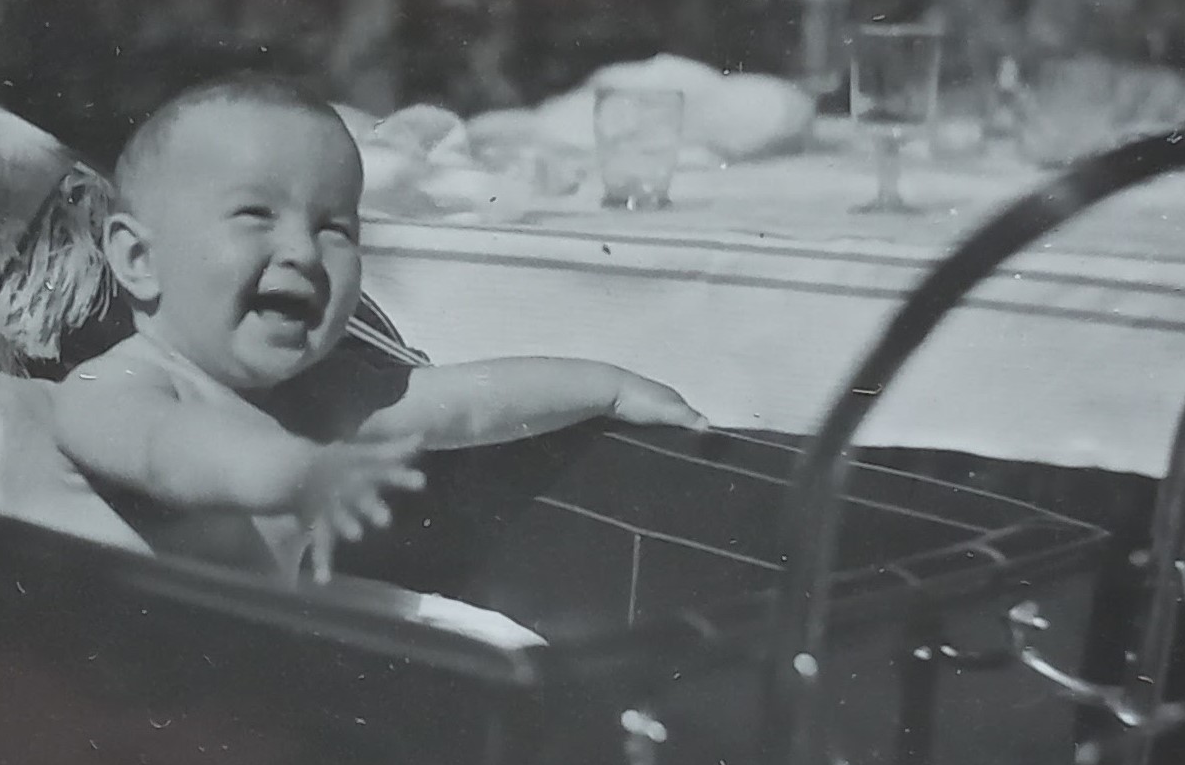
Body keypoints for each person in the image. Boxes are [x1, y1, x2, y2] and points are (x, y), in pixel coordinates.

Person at [53, 74, 705, 584]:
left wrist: (607, 386)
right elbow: (167, 451)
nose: (303, 251)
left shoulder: (320, 396)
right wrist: (294, 473)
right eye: (255, 214)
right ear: (139, 259)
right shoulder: (117, 386)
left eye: (334, 227)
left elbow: (471, 402)